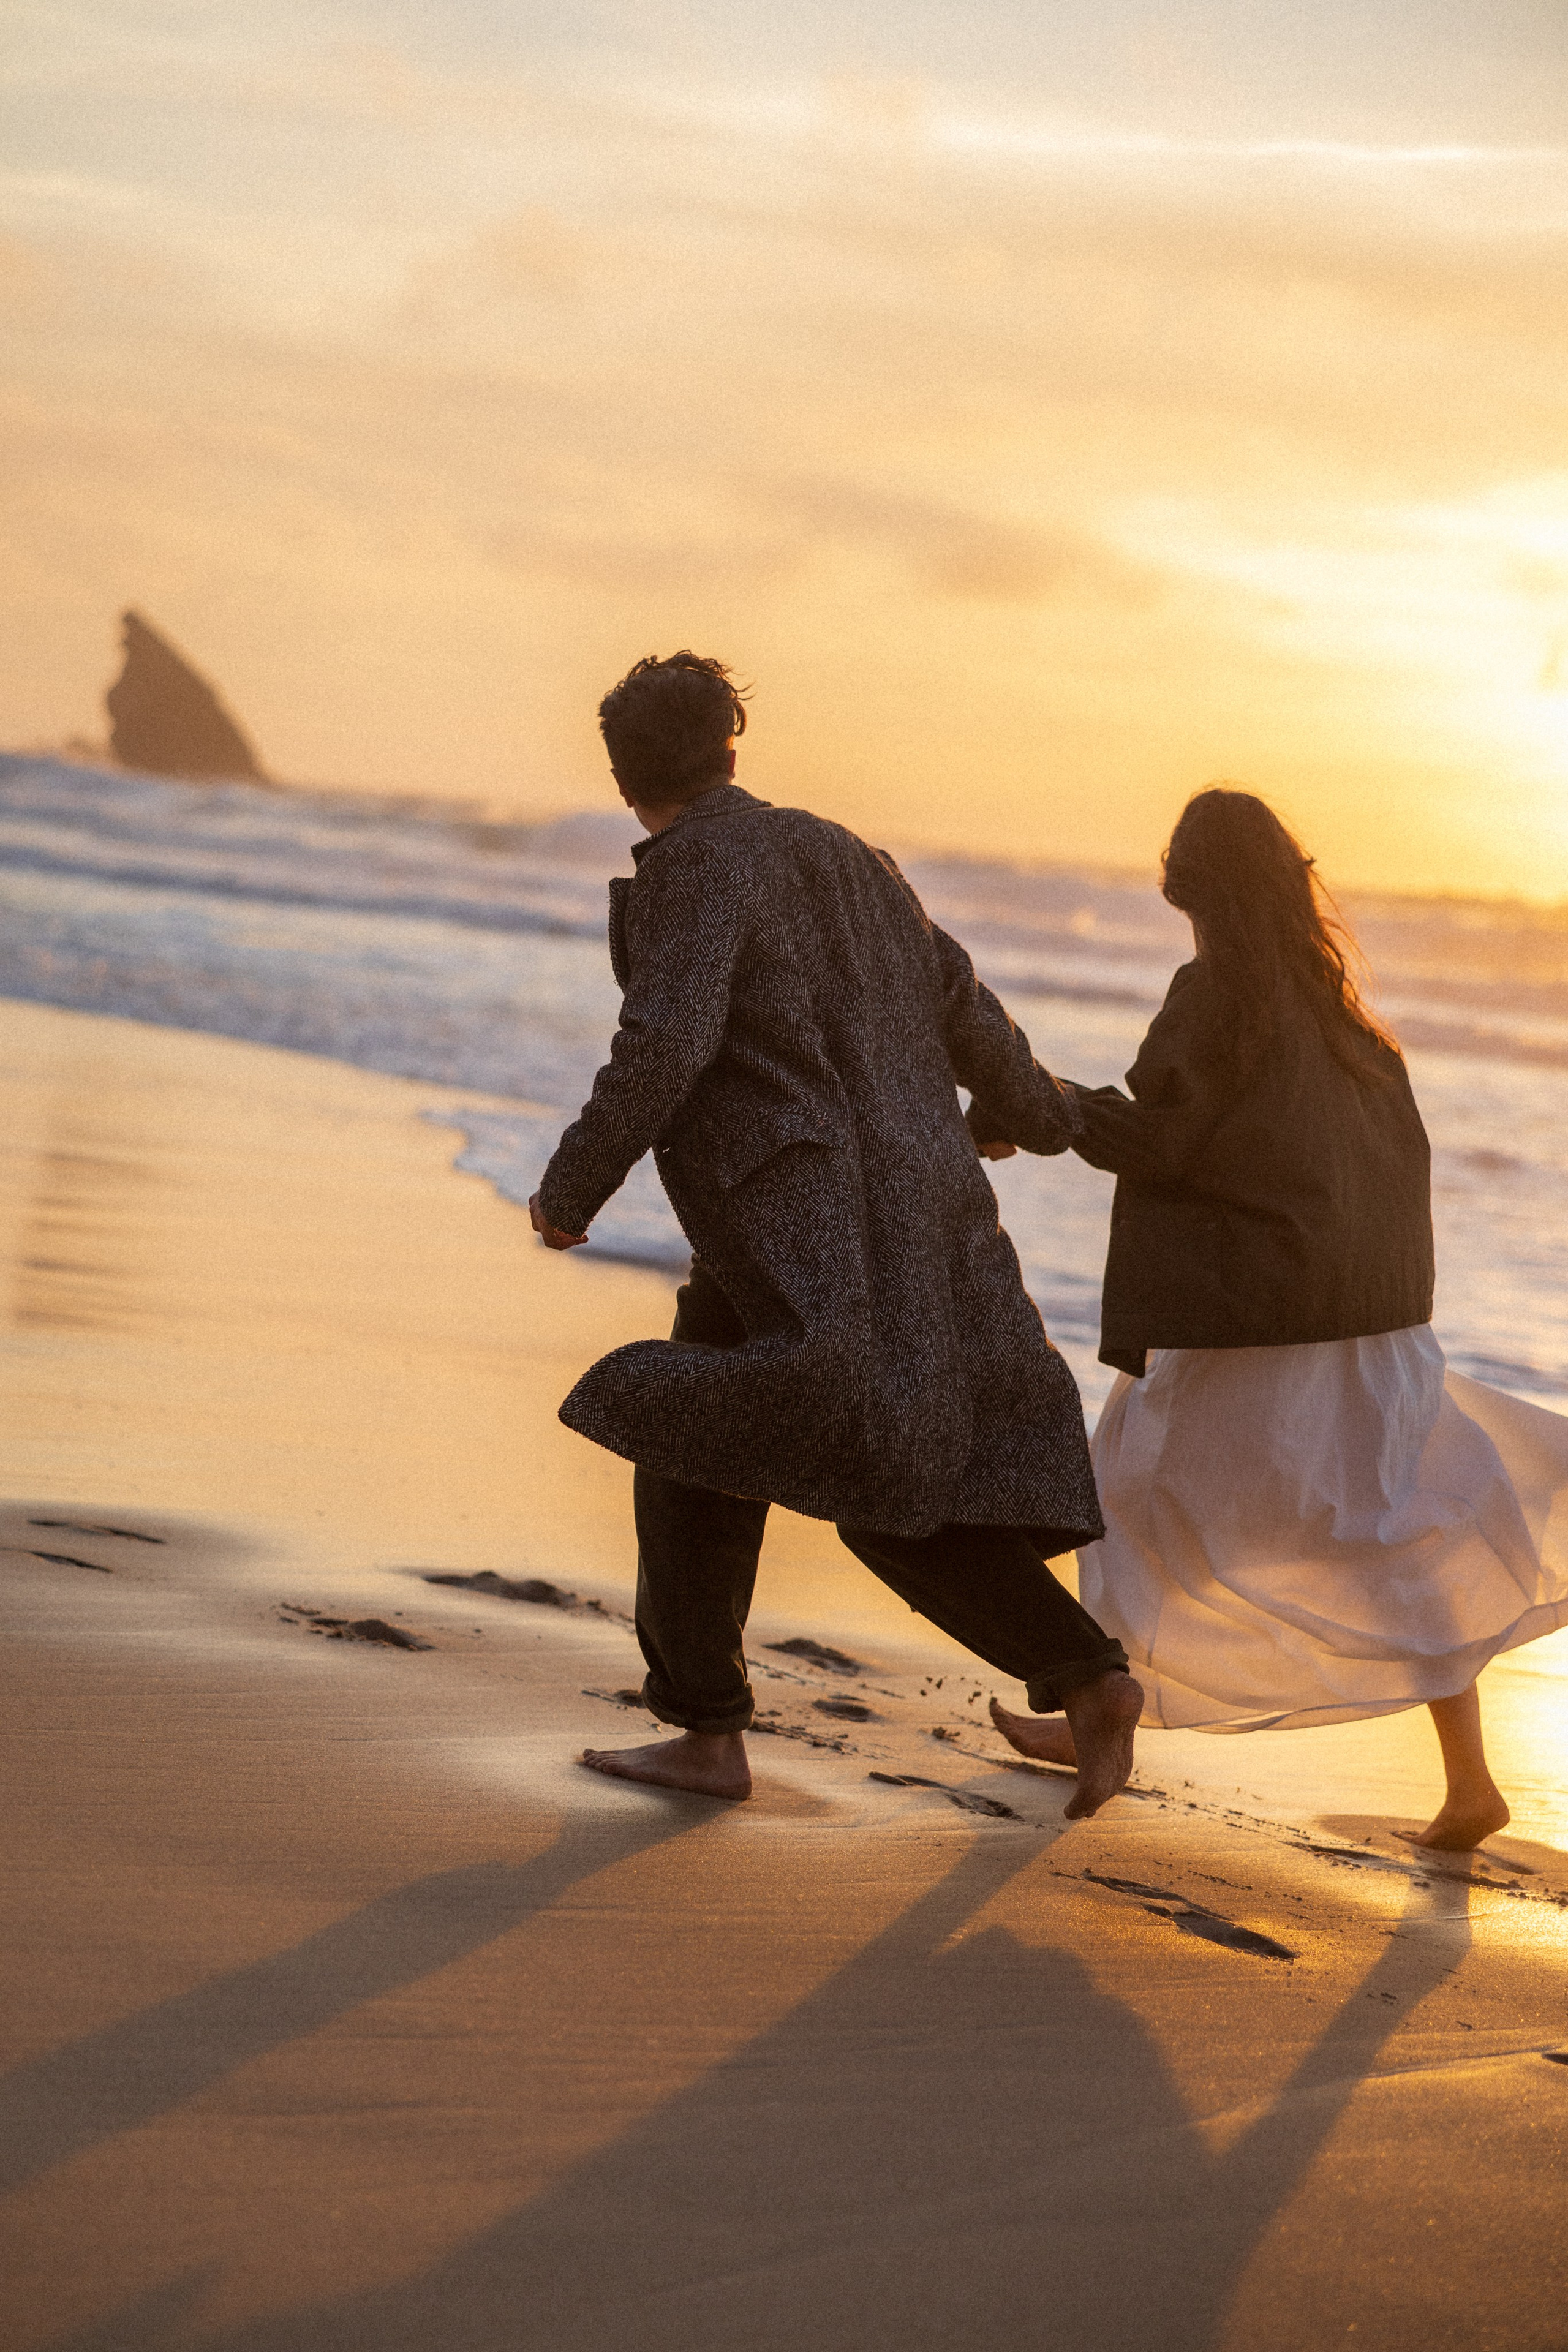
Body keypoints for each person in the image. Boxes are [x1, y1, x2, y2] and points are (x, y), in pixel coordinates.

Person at [530, 651, 1141, 1813]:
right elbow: (966, 1006)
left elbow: (668, 1040)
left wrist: (572, 1188)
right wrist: (1032, 1114)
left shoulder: (693, 867)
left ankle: (1067, 1679)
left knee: (852, 1463)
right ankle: (719, 1727)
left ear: (622, 778)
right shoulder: (846, 854)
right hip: (912, 1209)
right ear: (729, 749)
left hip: (800, 1226)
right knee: (737, 1448)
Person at [976, 786, 1568, 1850]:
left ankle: (1099, 1714)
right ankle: (1470, 1780)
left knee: (1121, 1493)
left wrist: (1038, 1104)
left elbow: (1163, 1138)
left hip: (1262, 1319)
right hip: (1372, 1328)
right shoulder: (1347, 1019)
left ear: (1201, 894)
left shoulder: (1218, 994)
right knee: (1387, 1537)